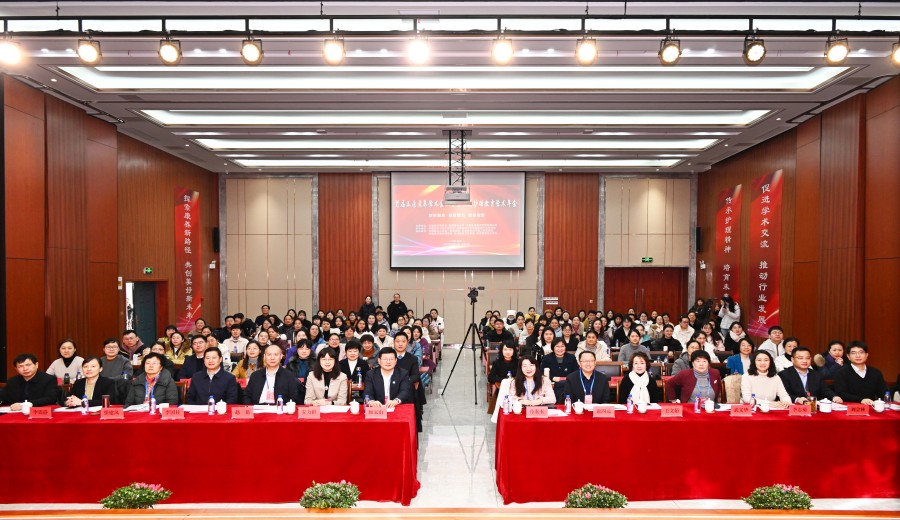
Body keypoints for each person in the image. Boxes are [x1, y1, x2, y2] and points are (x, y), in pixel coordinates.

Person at [491, 356, 555, 423]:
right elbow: (511, 398)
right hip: (521, 414)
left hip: (540, 414)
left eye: (531, 365)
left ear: (536, 366)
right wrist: (520, 401)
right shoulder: (515, 382)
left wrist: (539, 401)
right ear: (520, 368)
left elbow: (552, 398)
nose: (528, 369)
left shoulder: (544, 380)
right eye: (524, 366)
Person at [540, 338, 578, 403]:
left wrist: (567, 378)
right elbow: (542, 372)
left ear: (565, 347)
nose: (560, 349)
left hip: (568, 385)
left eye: (562, 346)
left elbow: (576, 372)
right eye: (557, 346)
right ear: (553, 347)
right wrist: (553, 378)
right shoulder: (547, 358)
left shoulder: (572, 358)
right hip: (551, 385)